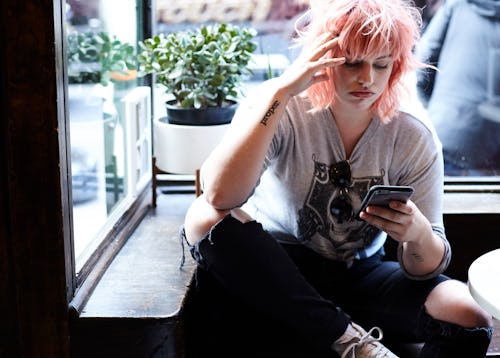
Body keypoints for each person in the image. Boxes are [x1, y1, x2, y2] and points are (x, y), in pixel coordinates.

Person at [181, 0, 494, 356]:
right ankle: (350, 342)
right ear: (321, 59)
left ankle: (339, 333)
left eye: (381, 65)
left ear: (397, 65)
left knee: (469, 313)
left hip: (360, 274)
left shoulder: (412, 133)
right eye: (351, 63)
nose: (368, 79)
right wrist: (281, 93)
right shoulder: (280, 107)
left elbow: (424, 268)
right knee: (204, 217)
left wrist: (417, 233)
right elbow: (219, 195)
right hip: (279, 276)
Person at [415, 0, 500, 175]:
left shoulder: (456, 5)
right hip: (490, 154)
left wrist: (432, 113)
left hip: (446, 134)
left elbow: (421, 65)